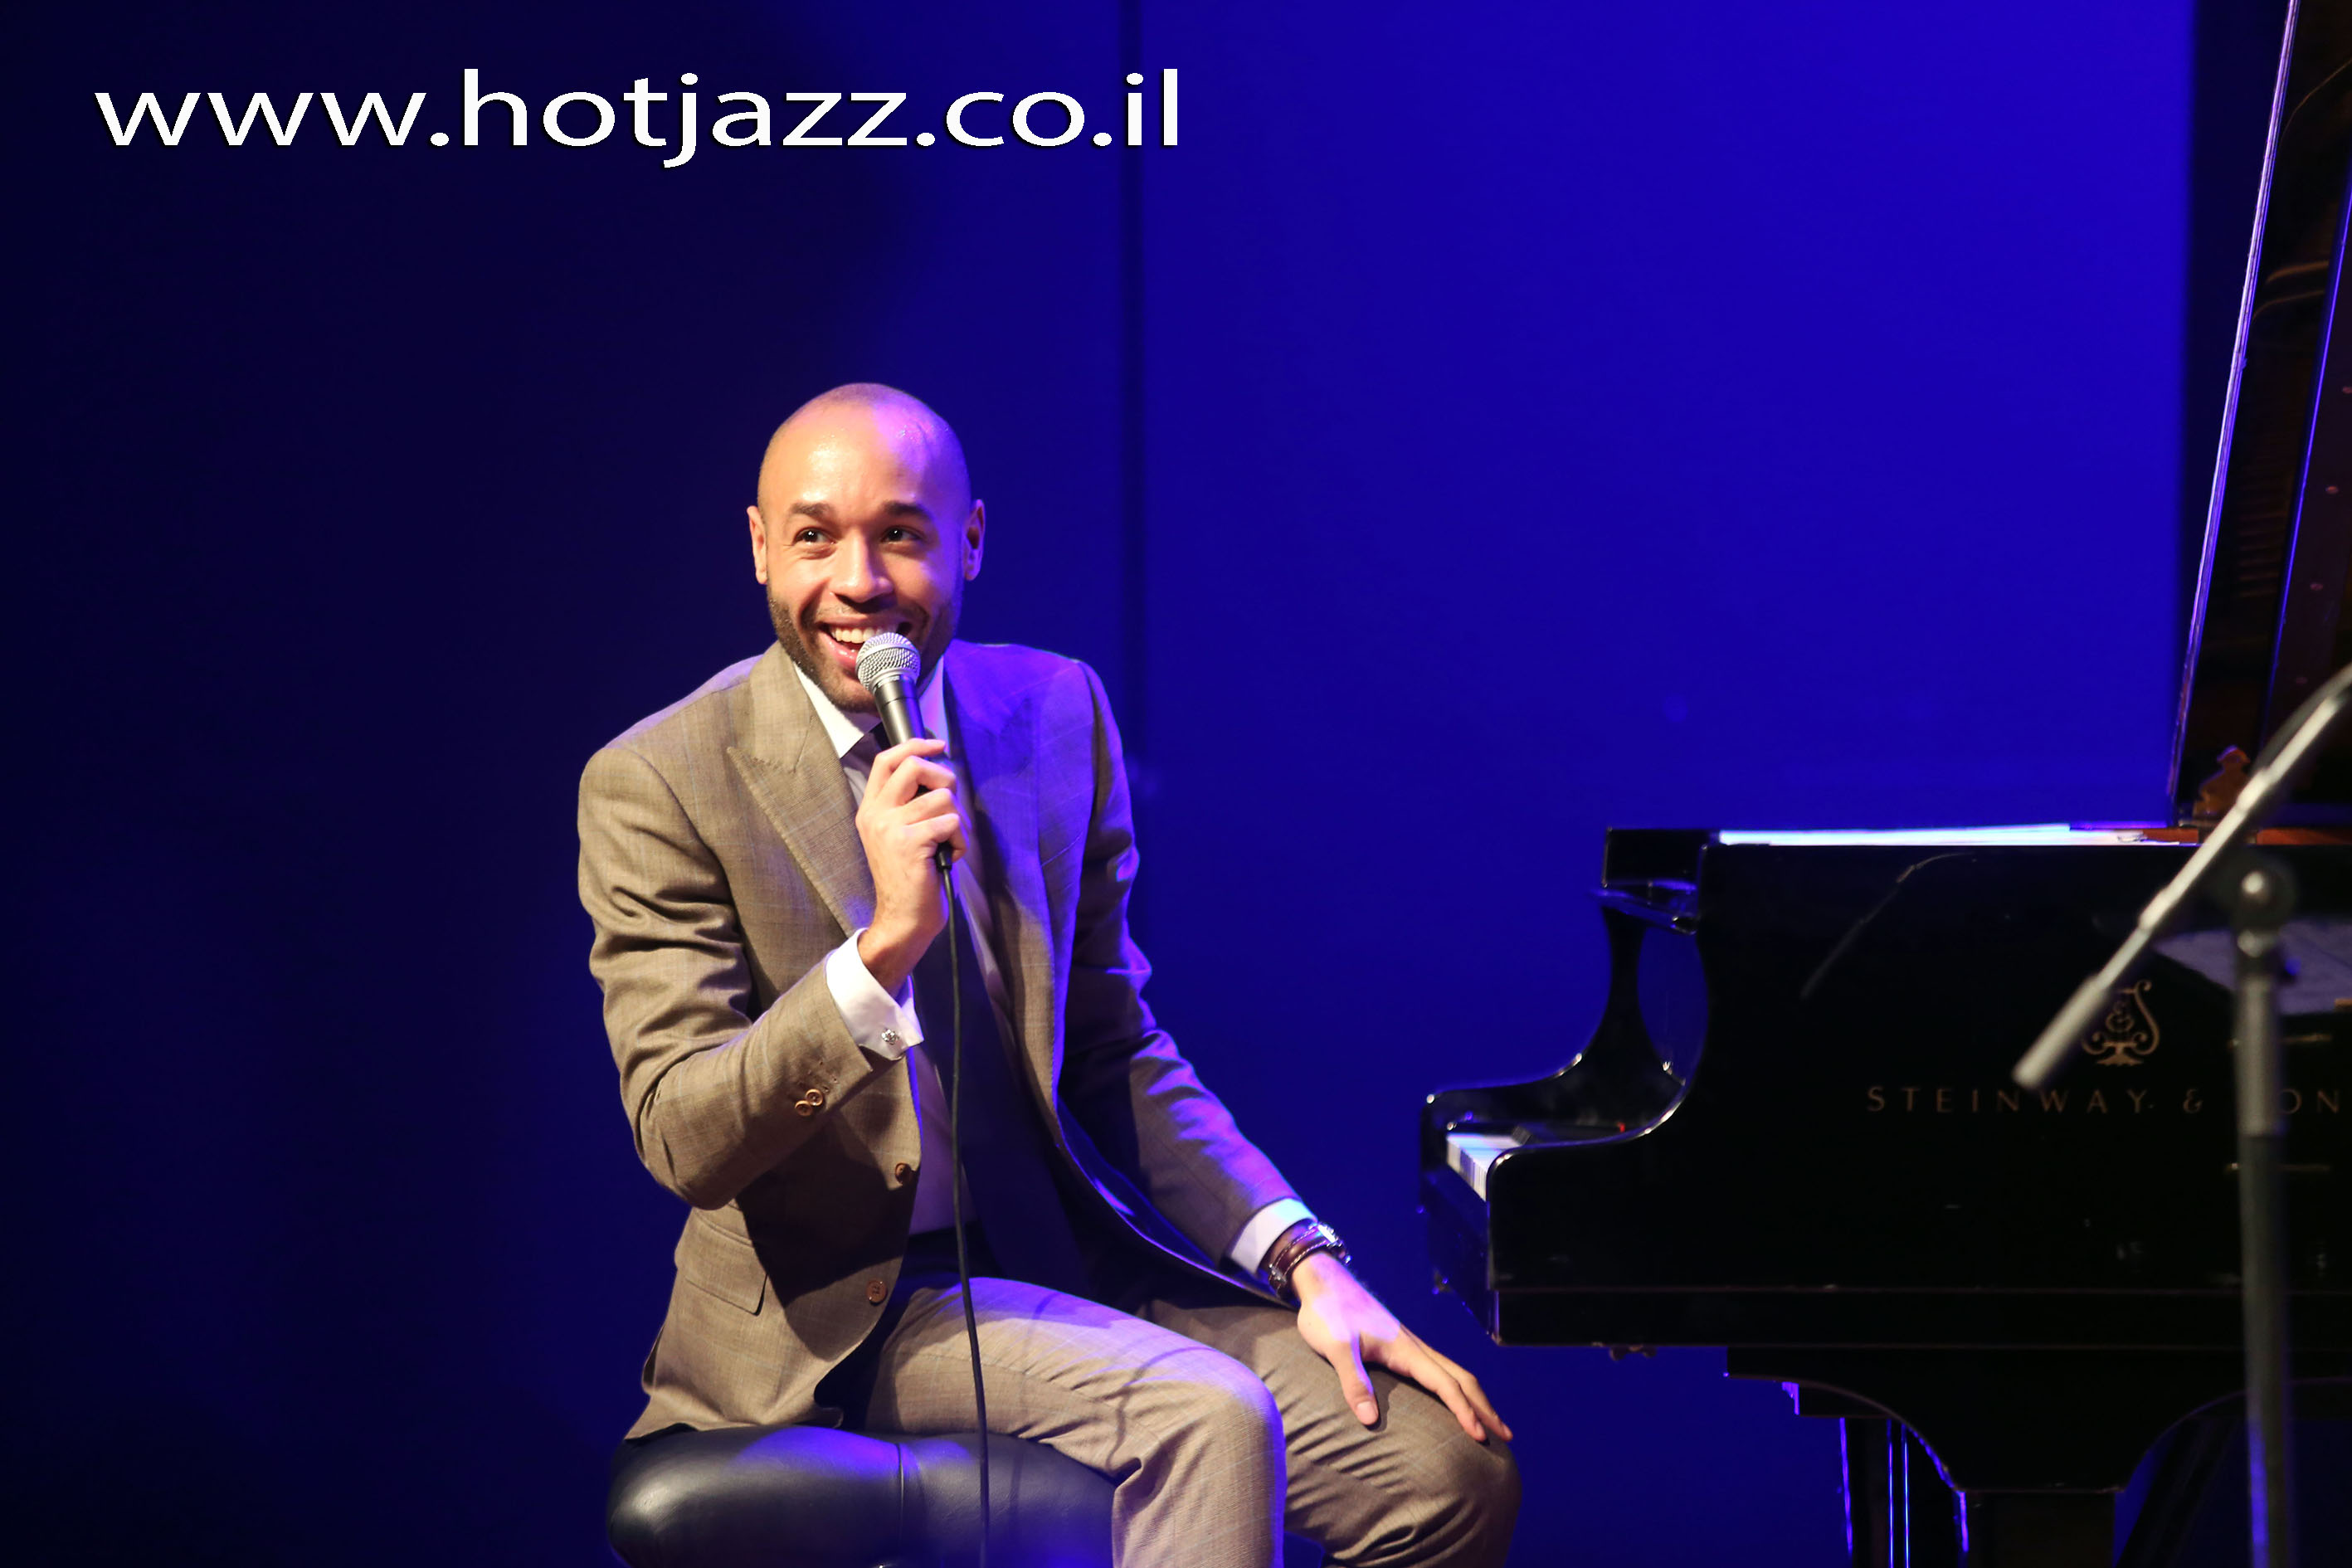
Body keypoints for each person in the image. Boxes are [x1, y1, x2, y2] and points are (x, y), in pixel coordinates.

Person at [577, 383, 1518, 1566]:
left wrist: (1305, 1260)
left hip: (1065, 1259)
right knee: (1210, 1420)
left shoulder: (1051, 710)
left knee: (1444, 1472)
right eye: (815, 536)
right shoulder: (661, 778)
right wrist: (879, 955)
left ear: (969, 539)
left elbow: (1117, 1046)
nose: (859, 581)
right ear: (762, 546)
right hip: (850, 1309)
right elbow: (685, 1137)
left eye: (901, 533)